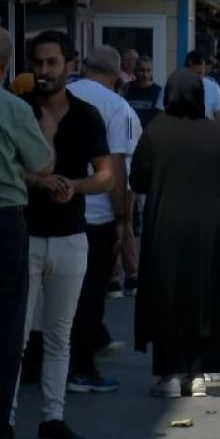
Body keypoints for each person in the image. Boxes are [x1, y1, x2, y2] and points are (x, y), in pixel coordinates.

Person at [13, 30, 114, 439]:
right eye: (38, 62)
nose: (43, 71)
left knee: (60, 335)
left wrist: (72, 186)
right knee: (15, 336)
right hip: (26, 235)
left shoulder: (87, 115)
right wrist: (36, 181)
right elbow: (4, 168)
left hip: (72, 236)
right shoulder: (17, 111)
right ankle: (6, 417)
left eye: (52, 62)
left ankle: (52, 418)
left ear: (70, 64)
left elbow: (106, 175)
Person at [130, 69, 220, 398]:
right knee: (205, 295)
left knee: (166, 297)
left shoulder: (155, 132)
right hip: (210, 231)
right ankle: (198, 374)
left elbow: (138, 179)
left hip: (164, 229)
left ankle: (168, 375)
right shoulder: (219, 136)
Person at [65, 45, 143, 394]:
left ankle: (51, 360)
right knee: (90, 295)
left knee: (56, 297)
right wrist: (123, 219)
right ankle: (82, 367)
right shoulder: (118, 108)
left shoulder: (60, 95)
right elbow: (118, 167)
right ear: (117, 76)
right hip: (97, 215)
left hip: (56, 209)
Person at [0, 26, 55, 439]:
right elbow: (42, 161)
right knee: (4, 324)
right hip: (2, 221)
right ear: (4, 66)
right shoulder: (11, 107)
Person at [155, 51, 220, 132]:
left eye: (201, 73)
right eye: (195, 74)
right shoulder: (171, 86)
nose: (198, 77)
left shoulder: (213, 88)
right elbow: (159, 116)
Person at [125, 56, 162, 130]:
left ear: (152, 72)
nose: (145, 74)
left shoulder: (158, 91)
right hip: (129, 132)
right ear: (135, 71)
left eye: (148, 71)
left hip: (148, 134)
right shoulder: (126, 88)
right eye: (142, 70)